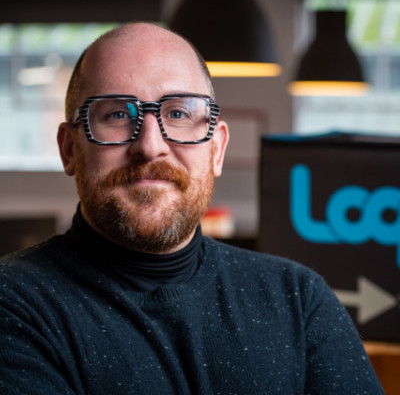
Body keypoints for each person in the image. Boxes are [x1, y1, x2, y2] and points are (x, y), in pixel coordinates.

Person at [0, 22, 384, 395]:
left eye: (178, 114)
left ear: (216, 150)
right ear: (70, 149)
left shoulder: (299, 299)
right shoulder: (14, 303)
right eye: (117, 114)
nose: (150, 146)